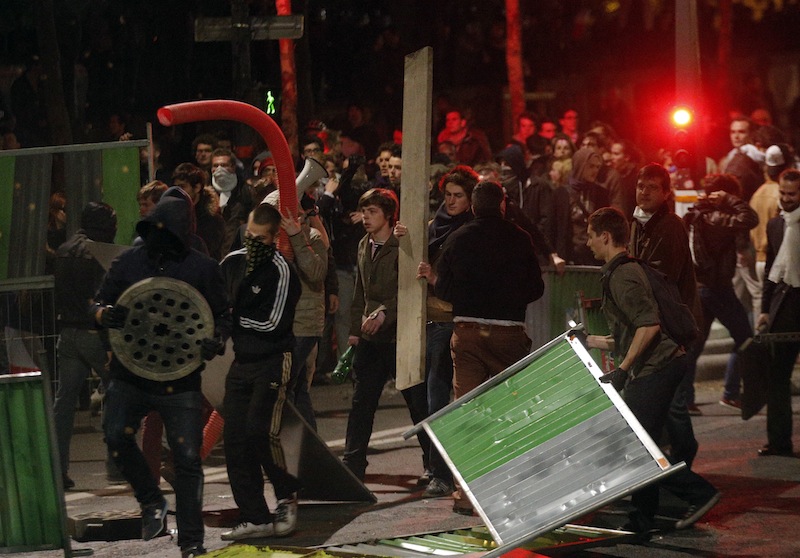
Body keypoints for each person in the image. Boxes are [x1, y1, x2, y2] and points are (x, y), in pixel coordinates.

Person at [94, 190, 231, 558]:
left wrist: (216, 339)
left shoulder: (203, 269)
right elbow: (99, 302)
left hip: (180, 379)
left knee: (187, 459)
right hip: (131, 374)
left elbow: (223, 315)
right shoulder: (127, 263)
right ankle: (152, 501)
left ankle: (192, 543)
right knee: (116, 436)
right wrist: (104, 316)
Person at [585, 207, 720, 536]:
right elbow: (630, 334)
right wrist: (588, 340)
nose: (586, 242)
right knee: (641, 442)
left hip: (657, 366)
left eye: (589, 236)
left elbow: (649, 326)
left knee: (636, 444)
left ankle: (697, 493)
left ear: (605, 236)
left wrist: (623, 369)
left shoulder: (623, 274)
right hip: (659, 363)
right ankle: (641, 518)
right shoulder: (622, 271)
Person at [434, 180, 544, 514]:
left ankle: (467, 496)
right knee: (509, 412)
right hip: (508, 336)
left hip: (467, 334)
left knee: (468, 413)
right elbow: (536, 287)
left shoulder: (458, 238)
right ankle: (512, 490)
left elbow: (445, 288)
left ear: (473, 206)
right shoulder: (520, 238)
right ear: (503, 204)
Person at [218, 203, 302, 540]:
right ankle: (254, 515)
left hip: (273, 360)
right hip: (242, 363)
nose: (252, 241)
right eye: (249, 235)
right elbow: (216, 301)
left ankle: (286, 497)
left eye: (260, 238)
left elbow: (272, 324)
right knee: (235, 439)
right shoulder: (233, 262)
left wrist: (233, 319)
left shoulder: (282, 272)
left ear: (273, 238)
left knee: (260, 430)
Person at [394, 165, 478, 498]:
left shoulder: (470, 231)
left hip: (447, 320)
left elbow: (465, 282)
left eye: (459, 195)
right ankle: (434, 464)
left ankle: (442, 473)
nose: (453, 201)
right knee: (418, 396)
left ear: (470, 199)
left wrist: (434, 280)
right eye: (448, 195)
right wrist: (406, 239)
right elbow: (410, 261)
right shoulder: (431, 227)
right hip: (419, 320)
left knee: (437, 398)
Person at [342, 188, 430, 482]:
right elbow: (359, 292)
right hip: (371, 338)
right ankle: (353, 464)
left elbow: (407, 290)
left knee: (417, 404)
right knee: (361, 403)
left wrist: (384, 314)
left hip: (399, 337)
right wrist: (355, 330)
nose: (366, 218)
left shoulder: (402, 245)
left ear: (389, 216)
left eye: (373, 212)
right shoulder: (363, 244)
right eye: (364, 212)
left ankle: (434, 466)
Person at [52, 202, 117, 489]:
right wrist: (108, 344)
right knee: (117, 394)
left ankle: (58, 469)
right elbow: (100, 300)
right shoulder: (98, 254)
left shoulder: (65, 250)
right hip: (93, 333)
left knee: (63, 403)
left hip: (68, 332)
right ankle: (116, 465)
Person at [682, 174, 758, 410]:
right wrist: (729, 200)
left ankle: (685, 399)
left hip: (703, 288)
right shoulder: (716, 218)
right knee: (745, 337)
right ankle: (731, 392)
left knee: (696, 345)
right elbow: (750, 218)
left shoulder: (698, 215)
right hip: (717, 288)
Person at [262, 190, 327, 430]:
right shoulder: (267, 241)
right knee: (297, 388)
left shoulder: (313, 237)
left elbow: (316, 272)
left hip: (303, 324)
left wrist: (296, 237)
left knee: (284, 386)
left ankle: (291, 446)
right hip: (281, 323)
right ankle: (309, 449)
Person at [756, 168, 800, 457]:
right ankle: (779, 442)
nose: (785, 198)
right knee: (778, 377)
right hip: (784, 308)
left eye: (792, 194)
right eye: (782, 193)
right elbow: (772, 272)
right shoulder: (775, 225)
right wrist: (763, 311)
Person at [172, 163, 225, 260]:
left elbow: (205, 251)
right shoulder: (174, 216)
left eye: (182, 187)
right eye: (176, 187)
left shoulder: (212, 219)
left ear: (197, 187)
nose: (178, 192)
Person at [211, 147, 255, 256]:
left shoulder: (246, 191)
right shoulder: (205, 192)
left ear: (233, 167)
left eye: (224, 165)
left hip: (237, 250)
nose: (219, 169)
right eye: (216, 166)